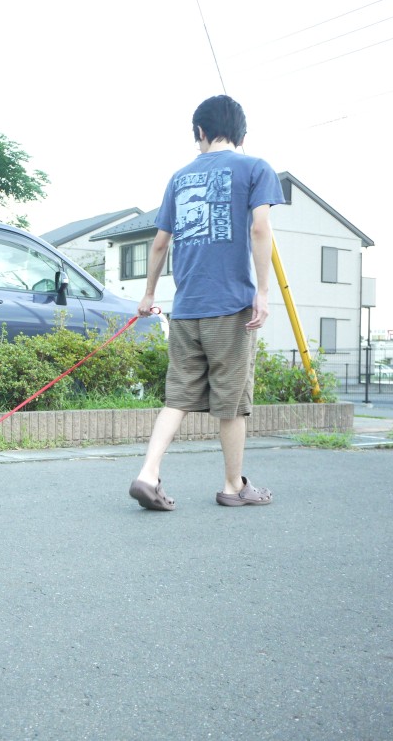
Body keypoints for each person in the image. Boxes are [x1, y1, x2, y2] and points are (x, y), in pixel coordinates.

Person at [128, 94, 285, 511]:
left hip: (186, 309)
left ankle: (147, 474)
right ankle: (233, 486)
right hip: (230, 307)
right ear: (242, 135)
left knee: (177, 397)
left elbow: (159, 243)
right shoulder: (256, 168)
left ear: (200, 131)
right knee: (232, 403)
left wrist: (148, 294)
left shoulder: (179, 178)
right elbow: (260, 229)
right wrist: (263, 293)